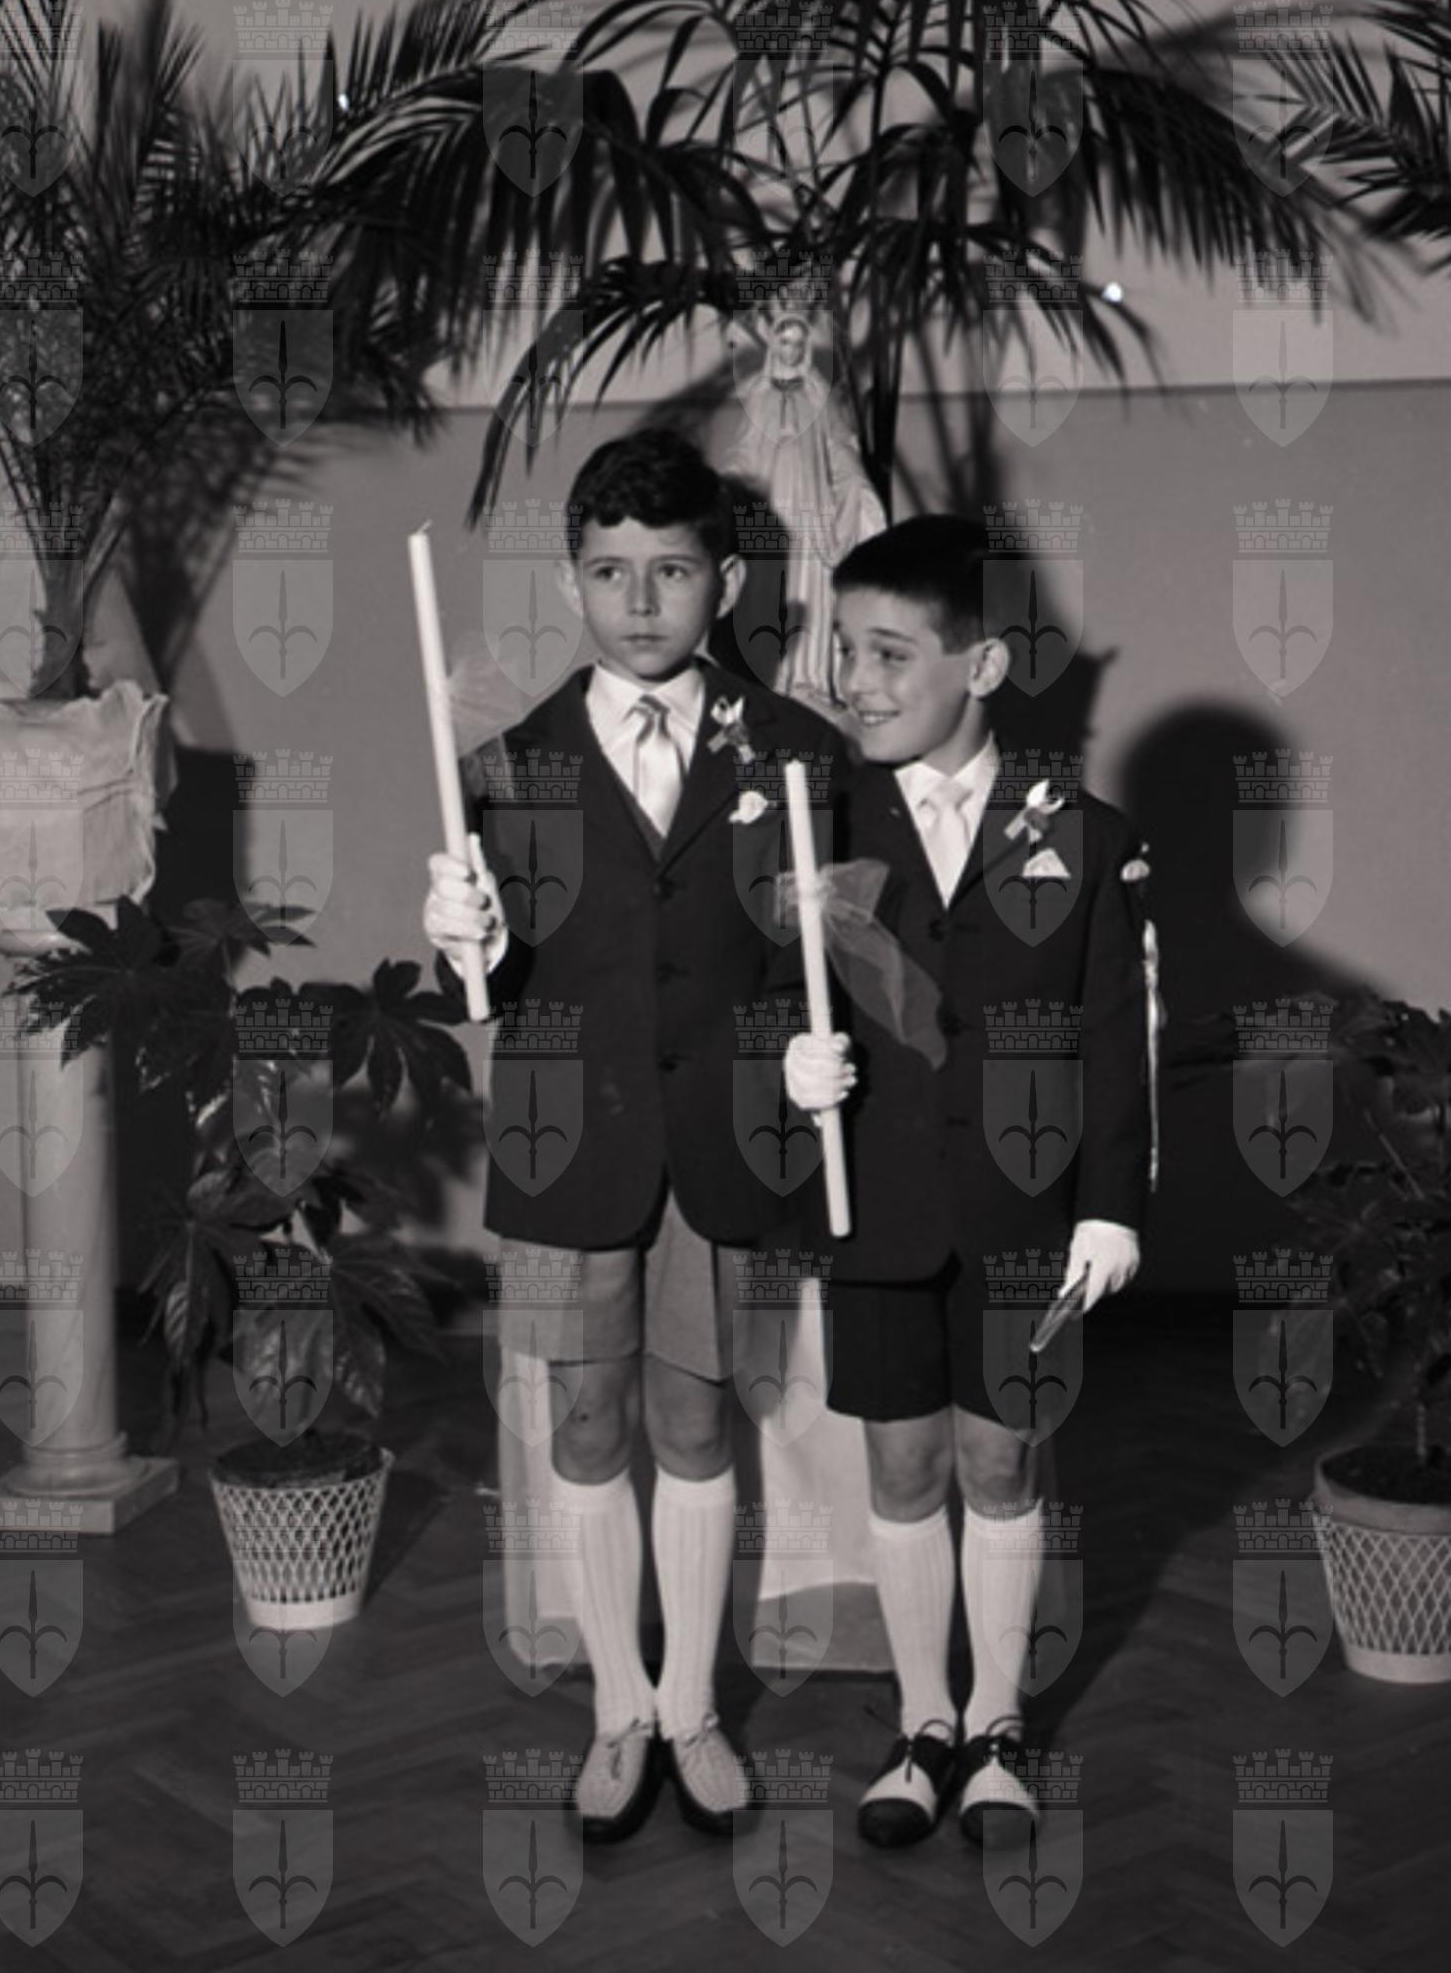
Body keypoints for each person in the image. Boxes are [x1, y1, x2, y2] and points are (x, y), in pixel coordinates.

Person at [422, 428, 848, 1843]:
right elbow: (487, 986)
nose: (641, 600)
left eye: (671, 569)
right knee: (587, 1419)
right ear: (571, 585)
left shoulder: (798, 753)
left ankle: (691, 1706)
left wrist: (819, 1034)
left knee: (695, 1419)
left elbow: (837, 958)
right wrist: (463, 941)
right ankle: (618, 1708)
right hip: (564, 1145)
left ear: (724, 580)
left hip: (727, 1137)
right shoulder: (503, 769)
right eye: (610, 572)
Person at [780, 514, 1155, 1850]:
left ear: (982, 665)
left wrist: (1110, 1202)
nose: (856, 681)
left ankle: (996, 1724)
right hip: (877, 1201)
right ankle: (922, 1720)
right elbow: (764, 999)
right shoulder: (816, 828)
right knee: (900, 1464)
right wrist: (784, 1070)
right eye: (844, 651)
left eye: (890, 653)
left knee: (1000, 1460)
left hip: (1021, 1209)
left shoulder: (1085, 834)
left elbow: (1115, 1031)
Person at [718, 306, 885, 716]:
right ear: (774, 345)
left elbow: (840, 449)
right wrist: (728, 480)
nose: (790, 349)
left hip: (812, 517)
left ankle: (809, 679)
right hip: (771, 516)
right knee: (771, 591)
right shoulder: (757, 396)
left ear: (805, 347)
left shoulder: (818, 397)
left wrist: (856, 485)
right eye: (784, 341)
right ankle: (774, 677)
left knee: (811, 592)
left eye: (797, 342)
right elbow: (744, 452)